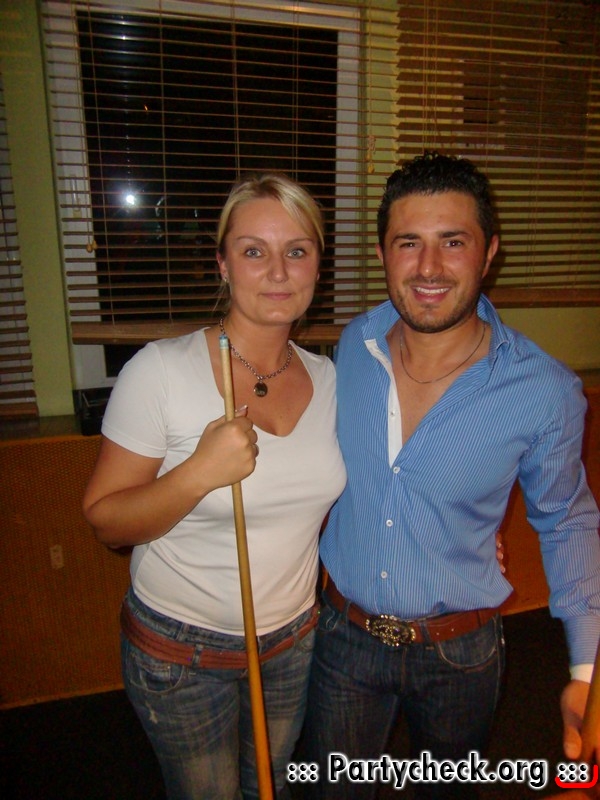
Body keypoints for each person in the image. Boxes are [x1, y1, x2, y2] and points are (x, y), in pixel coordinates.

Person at [303, 152, 600, 799]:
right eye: (409, 242)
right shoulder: (354, 347)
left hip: (460, 651)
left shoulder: (545, 391)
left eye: (453, 242)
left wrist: (585, 671)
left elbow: (566, 520)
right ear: (383, 254)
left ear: (489, 252)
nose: (429, 267)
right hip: (343, 637)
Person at [82, 173, 346, 800]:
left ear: (317, 265)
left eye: (297, 250)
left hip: (294, 641)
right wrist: (199, 472)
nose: (278, 271)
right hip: (180, 654)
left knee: (271, 788)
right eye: (254, 251)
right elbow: (106, 522)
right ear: (223, 264)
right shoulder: (161, 370)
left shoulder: (333, 379)